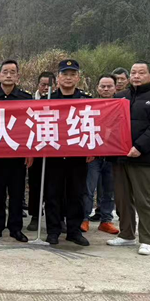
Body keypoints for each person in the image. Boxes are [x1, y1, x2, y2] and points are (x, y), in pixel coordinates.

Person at [108, 62, 150, 256]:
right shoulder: (120, 97)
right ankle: (126, 234)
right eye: (133, 73)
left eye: (141, 73)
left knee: (144, 199)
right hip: (120, 156)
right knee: (122, 198)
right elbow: (109, 124)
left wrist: (140, 147)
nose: (136, 76)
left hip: (144, 157)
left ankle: (147, 239)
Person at [0, 60, 32, 241]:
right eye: (5, 72)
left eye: (12, 72)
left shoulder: (26, 98)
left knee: (17, 192)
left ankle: (15, 228)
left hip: (18, 152)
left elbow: (30, 126)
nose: (9, 75)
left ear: (18, 76)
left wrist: (29, 151)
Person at [44, 60, 91, 246]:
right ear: (58, 78)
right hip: (53, 155)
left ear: (78, 78)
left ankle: (74, 231)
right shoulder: (47, 100)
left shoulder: (86, 100)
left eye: (72, 74)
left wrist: (93, 150)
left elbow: (94, 127)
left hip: (77, 156)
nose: (68, 78)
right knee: (52, 194)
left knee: (76, 194)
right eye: (65, 74)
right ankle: (53, 231)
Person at [82, 74, 120, 235]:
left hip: (112, 155)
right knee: (88, 189)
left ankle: (106, 220)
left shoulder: (121, 105)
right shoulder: (90, 106)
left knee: (108, 191)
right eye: (103, 86)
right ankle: (84, 218)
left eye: (109, 86)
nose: (106, 89)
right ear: (97, 88)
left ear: (115, 88)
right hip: (94, 155)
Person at [27, 71, 56, 231]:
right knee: (35, 185)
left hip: (55, 150)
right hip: (36, 150)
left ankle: (58, 218)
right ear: (38, 85)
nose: (46, 88)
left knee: (55, 187)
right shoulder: (30, 101)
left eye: (49, 85)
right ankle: (35, 215)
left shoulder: (60, 100)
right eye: (43, 84)